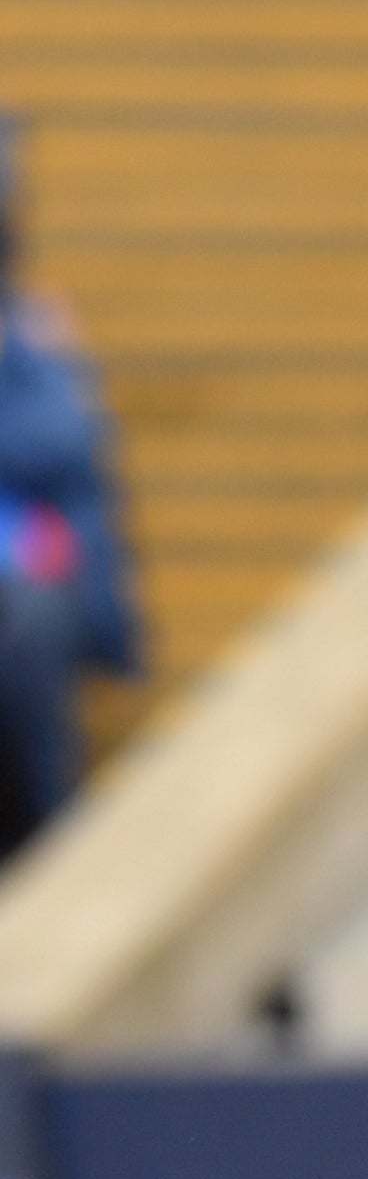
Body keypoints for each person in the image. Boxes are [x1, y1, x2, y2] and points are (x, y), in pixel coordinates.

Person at [0, 120, 140, 854]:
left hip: (24, 607)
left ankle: (49, 856)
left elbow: (70, 481)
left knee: (33, 611)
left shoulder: (33, 354)